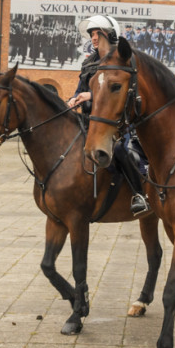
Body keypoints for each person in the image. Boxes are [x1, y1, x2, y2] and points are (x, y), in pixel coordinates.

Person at [67, 14, 151, 217]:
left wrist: (91, 96)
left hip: (116, 122)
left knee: (122, 149)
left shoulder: (121, 60)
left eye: (97, 33)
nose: (93, 38)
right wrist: (73, 99)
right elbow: (80, 89)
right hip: (90, 120)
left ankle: (140, 195)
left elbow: (120, 94)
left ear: (110, 34)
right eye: (91, 34)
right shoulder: (88, 63)